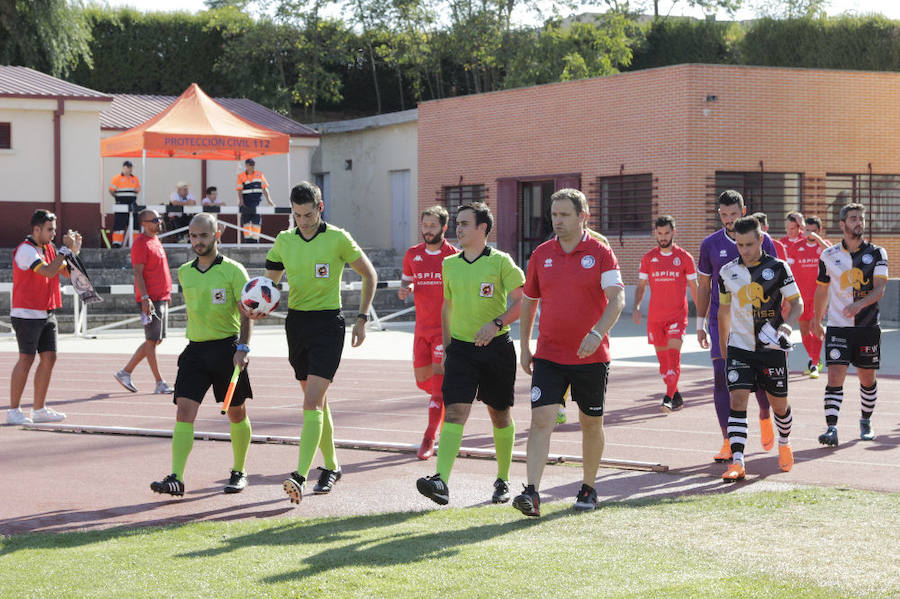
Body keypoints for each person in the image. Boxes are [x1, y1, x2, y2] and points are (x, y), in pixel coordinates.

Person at [261, 181, 377, 505]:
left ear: (320, 208)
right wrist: (259, 306)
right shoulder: (283, 241)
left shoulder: (338, 238)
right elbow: (268, 287)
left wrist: (362, 318)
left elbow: (370, 275)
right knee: (318, 401)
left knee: (311, 403)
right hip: (296, 324)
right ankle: (333, 467)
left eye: (308, 214)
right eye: (297, 215)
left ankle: (299, 475)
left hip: (329, 324)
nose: (303, 221)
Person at [513, 189, 624, 517]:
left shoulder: (601, 253)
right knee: (541, 419)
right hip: (549, 354)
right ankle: (532, 493)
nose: (557, 221)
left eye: (564, 215)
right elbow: (529, 302)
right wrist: (524, 346)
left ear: (583, 216)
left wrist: (596, 333)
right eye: (554, 214)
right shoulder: (541, 254)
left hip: (592, 356)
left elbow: (617, 299)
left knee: (591, 422)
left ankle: (588, 487)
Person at [416, 201, 525, 506]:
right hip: (461, 351)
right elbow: (447, 308)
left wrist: (496, 323)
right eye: (458, 224)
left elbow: (523, 302)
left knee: (500, 415)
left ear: (483, 229)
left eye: (465, 223)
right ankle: (441, 481)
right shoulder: (449, 264)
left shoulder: (501, 262)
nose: (459, 229)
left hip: (497, 350)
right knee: (454, 412)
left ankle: (503, 478)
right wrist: (448, 349)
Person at [150, 213, 255, 497]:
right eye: (194, 236)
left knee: (236, 413)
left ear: (217, 234)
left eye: (204, 236)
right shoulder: (185, 271)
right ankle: (177, 477)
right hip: (195, 351)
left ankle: (239, 470)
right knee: (184, 411)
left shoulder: (234, 271)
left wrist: (243, 348)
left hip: (227, 350)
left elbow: (246, 314)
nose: (198, 241)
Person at [697, 191, 779, 463]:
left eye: (733, 214)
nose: (728, 219)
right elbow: (704, 287)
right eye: (723, 214)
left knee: (762, 381)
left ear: (744, 211)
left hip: (757, 322)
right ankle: (727, 441)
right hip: (722, 321)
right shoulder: (710, 244)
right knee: (722, 377)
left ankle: (765, 415)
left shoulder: (764, 241)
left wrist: (775, 324)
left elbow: (776, 281)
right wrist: (699, 323)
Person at [717, 216, 802, 481]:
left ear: (761, 239)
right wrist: (724, 347)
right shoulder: (726, 272)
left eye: (749, 244)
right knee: (737, 399)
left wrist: (786, 328)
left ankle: (785, 443)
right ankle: (738, 462)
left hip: (771, 349)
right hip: (740, 348)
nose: (744, 250)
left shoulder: (779, 268)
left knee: (779, 405)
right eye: (740, 245)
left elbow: (796, 303)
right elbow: (723, 310)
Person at [812, 203, 887, 446]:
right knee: (835, 375)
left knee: (867, 378)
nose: (859, 222)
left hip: (867, 327)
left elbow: (880, 289)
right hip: (837, 327)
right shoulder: (828, 255)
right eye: (854, 218)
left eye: (862, 218)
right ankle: (831, 428)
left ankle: (865, 420)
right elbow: (822, 291)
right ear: (842, 224)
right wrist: (816, 318)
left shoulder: (877, 253)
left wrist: (858, 305)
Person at [7, 210, 81, 425]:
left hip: (47, 311)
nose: (53, 234)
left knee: (49, 358)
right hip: (26, 314)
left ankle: (39, 409)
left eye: (55, 230)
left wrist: (73, 251)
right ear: (36, 229)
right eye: (50, 230)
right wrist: (65, 250)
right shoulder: (25, 250)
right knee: (26, 359)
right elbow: (48, 271)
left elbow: (68, 272)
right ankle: (13, 410)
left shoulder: (50, 248)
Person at [398, 206, 458, 460]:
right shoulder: (413, 254)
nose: (428, 230)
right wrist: (407, 288)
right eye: (425, 225)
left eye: (434, 226)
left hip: (444, 332)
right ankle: (441, 413)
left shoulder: (453, 256)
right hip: (420, 330)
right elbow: (406, 279)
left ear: (444, 228)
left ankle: (429, 436)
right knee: (424, 381)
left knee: (437, 388)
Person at [633, 215, 698, 412]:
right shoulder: (648, 258)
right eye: (659, 233)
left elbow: (694, 287)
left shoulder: (685, 258)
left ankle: (668, 398)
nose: (663, 237)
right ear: (655, 233)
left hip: (677, 316)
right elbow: (641, 286)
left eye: (666, 233)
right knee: (664, 367)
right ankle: (676, 394)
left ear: (673, 233)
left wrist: (703, 314)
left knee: (673, 358)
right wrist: (636, 306)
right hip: (655, 319)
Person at [113, 209, 175, 395]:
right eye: (155, 220)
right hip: (151, 298)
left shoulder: (155, 240)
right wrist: (145, 298)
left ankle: (125, 372)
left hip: (161, 297)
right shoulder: (140, 244)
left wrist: (167, 296)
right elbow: (138, 273)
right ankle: (159, 382)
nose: (159, 222)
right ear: (145, 223)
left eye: (160, 219)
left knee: (155, 340)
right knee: (151, 340)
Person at [789, 216, 831, 378]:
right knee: (805, 330)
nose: (810, 234)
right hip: (801, 296)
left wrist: (818, 240)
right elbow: (789, 270)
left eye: (814, 231)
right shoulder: (796, 246)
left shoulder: (824, 247)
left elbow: (831, 254)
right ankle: (814, 357)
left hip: (819, 297)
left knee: (816, 326)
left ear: (819, 231)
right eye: (808, 230)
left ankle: (814, 363)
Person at [236, 158, 275, 244]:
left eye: (253, 165)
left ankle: (255, 241)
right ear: (246, 166)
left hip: (256, 203)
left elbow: (265, 189)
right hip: (246, 203)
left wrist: (269, 200)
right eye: (251, 165)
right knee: (246, 223)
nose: (253, 166)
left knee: (256, 223)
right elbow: (239, 190)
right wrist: (241, 202)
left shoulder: (259, 175)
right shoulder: (241, 176)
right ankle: (248, 241)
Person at [108, 160, 141, 248]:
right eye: (127, 167)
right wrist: (118, 198)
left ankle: (135, 242)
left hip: (132, 204)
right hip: (121, 203)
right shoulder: (117, 178)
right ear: (124, 168)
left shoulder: (135, 179)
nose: (129, 169)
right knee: (119, 223)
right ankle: (117, 243)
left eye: (130, 167)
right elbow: (111, 190)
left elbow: (137, 190)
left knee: (135, 223)